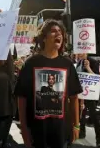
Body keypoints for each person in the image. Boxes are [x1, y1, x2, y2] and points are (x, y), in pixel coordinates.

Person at [15, 19, 82, 148]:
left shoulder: (67, 64)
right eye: (53, 31)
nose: (58, 34)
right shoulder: (30, 63)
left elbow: (74, 97)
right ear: (44, 38)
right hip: (36, 132)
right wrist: (23, 129)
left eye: (60, 32)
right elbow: (22, 98)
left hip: (61, 132)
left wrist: (76, 125)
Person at [75, 53, 100, 148]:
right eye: (78, 52)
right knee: (81, 114)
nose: (78, 54)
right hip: (80, 94)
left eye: (80, 52)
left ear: (86, 51)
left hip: (90, 94)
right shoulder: (79, 63)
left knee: (94, 116)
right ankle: (82, 132)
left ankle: (99, 140)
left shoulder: (93, 62)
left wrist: (88, 68)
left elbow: (97, 78)